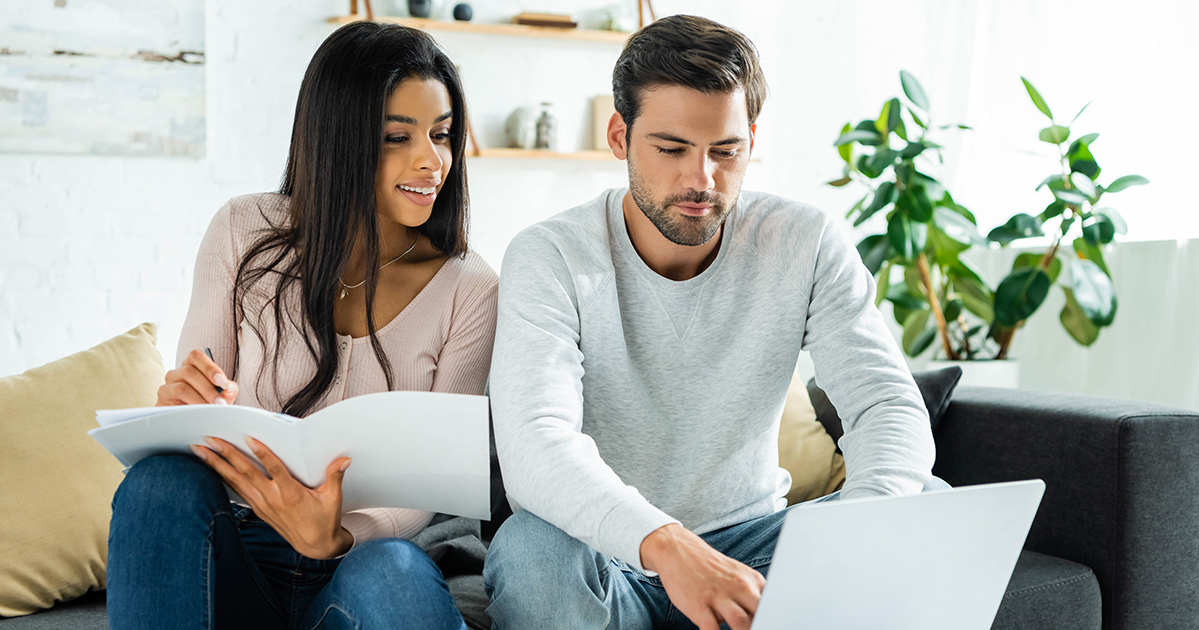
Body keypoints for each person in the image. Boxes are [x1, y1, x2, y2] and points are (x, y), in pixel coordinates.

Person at [484, 14, 945, 630]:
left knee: (925, 506)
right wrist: (668, 545)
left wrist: (853, 540)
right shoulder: (552, 254)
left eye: (725, 152)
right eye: (671, 149)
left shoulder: (803, 241)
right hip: (610, 554)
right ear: (619, 136)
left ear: (751, 138)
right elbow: (535, 440)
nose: (701, 180)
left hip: (754, 544)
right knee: (531, 550)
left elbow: (887, 405)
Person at [106, 22, 497, 630]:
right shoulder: (242, 232)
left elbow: (434, 485)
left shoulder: (470, 288)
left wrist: (338, 533)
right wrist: (184, 402)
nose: (432, 160)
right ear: (337, 138)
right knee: (159, 482)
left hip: (360, 562)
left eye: (442, 135)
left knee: (392, 570)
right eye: (398, 136)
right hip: (237, 548)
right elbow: (203, 397)